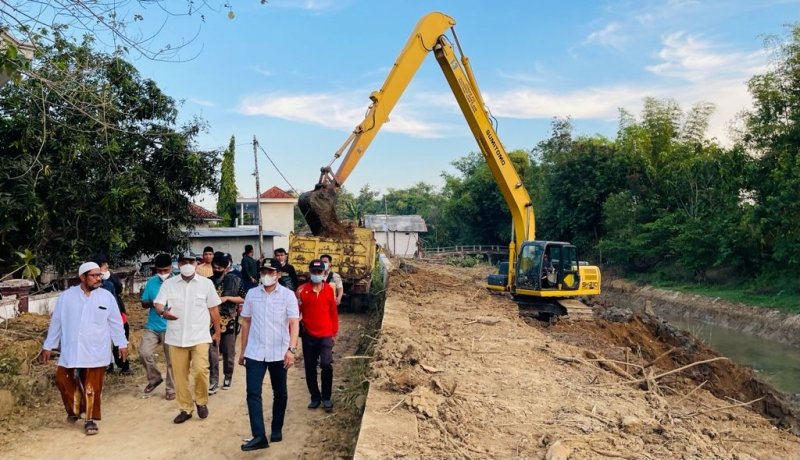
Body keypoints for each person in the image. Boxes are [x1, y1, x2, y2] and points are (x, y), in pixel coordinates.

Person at [41, 262, 128, 435]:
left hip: (96, 348)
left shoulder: (106, 297)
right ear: (82, 277)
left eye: (99, 276)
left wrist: (122, 343)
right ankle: (75, 409)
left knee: (92, 387)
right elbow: (56, 322)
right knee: (62, 379)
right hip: (71, 348)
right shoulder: (66, 297)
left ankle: (89, 420)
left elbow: (115, 322)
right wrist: (48, 345)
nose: (98, 279)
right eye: (94, 276)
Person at [153, 251, 222, 424]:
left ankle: (201, 401)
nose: (187, 264)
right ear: (178, 264)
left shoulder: (206, 284)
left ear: (197, 263)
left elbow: (214, 310)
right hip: (176, 337)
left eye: (191, 261)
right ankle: (185, 408)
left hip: (199, 336)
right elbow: (158, 303)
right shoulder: (169, 284)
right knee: (180, 376)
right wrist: (163, 313)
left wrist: (218, 332)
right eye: (183, 261)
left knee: (200, 371)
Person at [238, 258, 300, 452]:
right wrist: (243, 351)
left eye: (270, 272)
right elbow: (246, 322)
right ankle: (258, 436)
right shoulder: (252, 294)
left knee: (280, 392)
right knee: (253, 392)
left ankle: (276, 427)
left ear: (278, 275)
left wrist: (291, 349)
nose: (266, 275)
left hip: (279, 351)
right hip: (255, 351)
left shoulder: (288, 296)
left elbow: (293, 323)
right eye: (263, 272)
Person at [296, 259, 338, 412]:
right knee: (310, 367)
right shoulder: (302, 291)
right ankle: (315, 397)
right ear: (309, 272)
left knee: (326, 364)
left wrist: (334, 333)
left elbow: (333, 312)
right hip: (309, 335)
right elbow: (296, 312)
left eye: (319, 272)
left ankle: (326, 397)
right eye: (314, 272)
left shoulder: (329, 290)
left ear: (324, 273)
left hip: (326, 334)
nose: (316, 274)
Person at [139, 253, 176, 400]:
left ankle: (171, 389)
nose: (162, 274)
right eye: (159, 271)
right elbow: (143, 303)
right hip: (153, 325)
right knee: (144, 353)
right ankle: (154, 378)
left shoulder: (177, 282)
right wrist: (154, 302)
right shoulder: (152, 282)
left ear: (171, 268)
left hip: (171, 327)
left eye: (165, 270)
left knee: (171, 361)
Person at [208, 252, 245, 393]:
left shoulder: (235, 280)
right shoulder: (207, 281)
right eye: (214, 267)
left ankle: (228, 376)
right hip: (210, 321)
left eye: (219, 268)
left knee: (229, 352)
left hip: (229, 320)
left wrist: (227, 298)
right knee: (212, 353)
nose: (216, 270)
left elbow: (243, 298)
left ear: (225, 268)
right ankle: (213, 381)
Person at [91, 254, 130, 374]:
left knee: (121, 335)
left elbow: (119, 289)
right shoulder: (91, 283)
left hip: (116, 312)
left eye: (106, 264)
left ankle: (123, 365)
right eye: (103, 265)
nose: (106, 266)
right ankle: (107, 365)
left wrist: (110, 277)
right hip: (100, 315)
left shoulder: (110, 281)